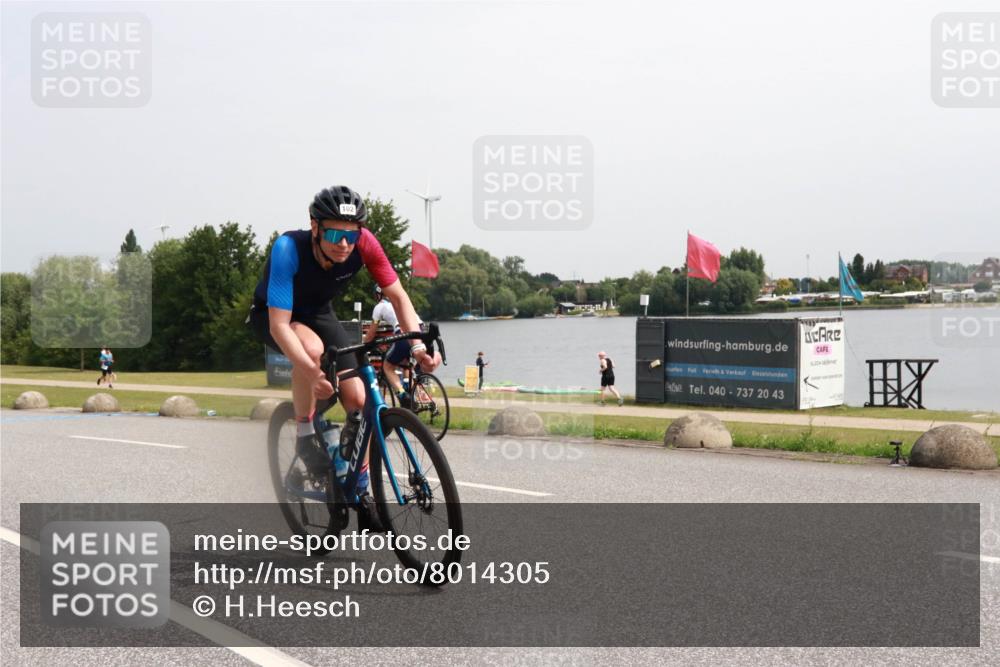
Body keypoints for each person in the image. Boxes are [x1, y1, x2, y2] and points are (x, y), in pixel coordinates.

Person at [248, 185, 440, 531]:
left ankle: (360, 491)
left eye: (351, 236)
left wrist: (418, 348)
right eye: (335, 233)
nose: (344, 244)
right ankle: (306, 436)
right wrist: (312, 373)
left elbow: (398, 297)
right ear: (315, 226)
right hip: (273, 314)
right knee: (311, 352)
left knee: (359, 400)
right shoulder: (288, 248)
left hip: (319, 313)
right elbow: (279, 326)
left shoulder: (364, 243)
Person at [364, 284, 413, 407]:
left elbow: (371, 334)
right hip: (419, 331)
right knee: (406, 364)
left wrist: (363, 342)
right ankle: (409, 390)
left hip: (403, 333)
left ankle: (403, 395)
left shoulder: (380, 307)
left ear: (378, 294)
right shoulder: (399, 302)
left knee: (388, 367)